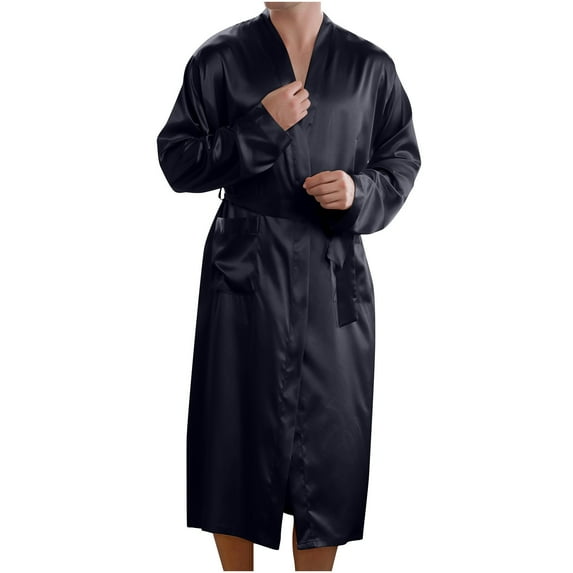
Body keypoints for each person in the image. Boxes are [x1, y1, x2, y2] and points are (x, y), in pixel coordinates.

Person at [156, 2, 421, 570]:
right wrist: (261, 127)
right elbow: (178, 160)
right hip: (244, 271)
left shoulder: (369, 66)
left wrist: (359, 191)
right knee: (233, 435)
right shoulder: (221, 58)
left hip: (332, 272)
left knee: (330, 447)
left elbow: (400, 159)